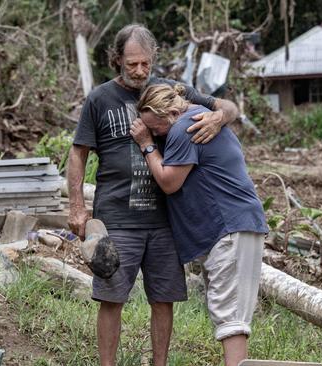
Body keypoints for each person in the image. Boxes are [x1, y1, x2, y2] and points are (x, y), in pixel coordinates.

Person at [66, 24, 239, 366]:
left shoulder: (172, 92)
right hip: (117, 218)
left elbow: (230, 107)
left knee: (163, 299)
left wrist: (218, 119)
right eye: (132, 64)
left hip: (165, 220)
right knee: (112, 297)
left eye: (145, 63)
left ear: (153, 60)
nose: (140, 71)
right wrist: (77, 207)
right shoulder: (100, 99)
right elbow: (78, 153)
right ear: (116, 60)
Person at [129, 83, 268, 366]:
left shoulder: (183, 127)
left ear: (170, 112)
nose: (156, 135)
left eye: (157, 128)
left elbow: (169, 182)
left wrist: (146, 145)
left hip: (229, 228)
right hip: (237, 226)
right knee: (229, 313)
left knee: (231, 318)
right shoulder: (201, 114)